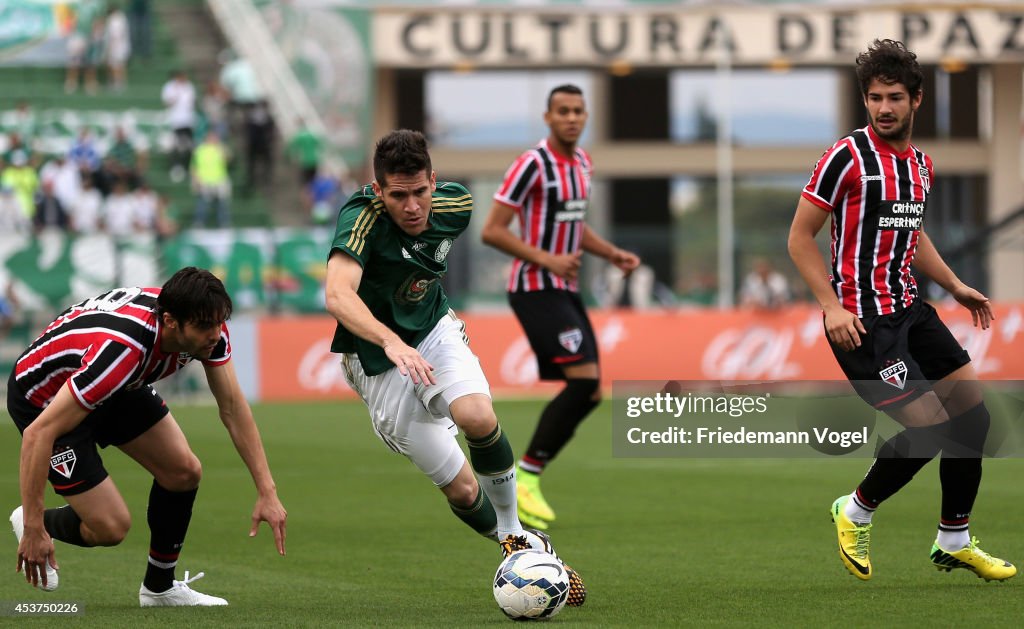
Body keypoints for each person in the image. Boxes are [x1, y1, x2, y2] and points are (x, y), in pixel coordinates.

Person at [324, 129, 585, 607]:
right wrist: (391, 341)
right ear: (378, 192)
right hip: (377, 360)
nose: (411, 206)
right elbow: (338, 293)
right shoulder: (360, 216)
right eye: (398, 196)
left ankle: (517, 541)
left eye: (420, 191)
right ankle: (512, 542)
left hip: (434, 331)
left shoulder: (456, 206)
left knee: (477, 417)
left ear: (433, 182)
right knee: (463, 491)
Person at [787, 39, 1015, 582]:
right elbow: (799, 238)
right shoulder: (846, 156)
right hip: (862, 326)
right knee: (934, 429)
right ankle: (855, 509)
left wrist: (956, 285)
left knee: (974, 418)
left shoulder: (918, 165)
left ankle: (953, 539)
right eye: (873, 98)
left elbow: (910, 235)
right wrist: (831, 307)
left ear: (917, 99)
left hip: (912, 311)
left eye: (893, 97)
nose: (883, 107)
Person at [7, 267, 287, 604]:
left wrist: (266, 490)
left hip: (114, 384)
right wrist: (36, 528)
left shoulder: (206, 327)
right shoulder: (123, 350)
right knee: (110, 528)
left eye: (218, 323)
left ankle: (159, 588)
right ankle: (31, 519)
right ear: (170, 322)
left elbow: (232, 407)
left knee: (184, 472)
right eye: (204, 327)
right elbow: (39, 434)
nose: (215, 334)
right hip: (44, 399)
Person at [481, 84, 640, 530]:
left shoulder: (583, 163)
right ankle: (525, 478)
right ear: (548, 118)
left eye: (578, 111)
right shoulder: (531, 165)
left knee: (590, 392)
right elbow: (492, 231)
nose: (572, 118)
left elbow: (573, 224)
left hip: (564, 288)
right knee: (583, 380)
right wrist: (546, 258)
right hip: (534, 286)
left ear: (586, 117)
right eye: (563, 111)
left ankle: (528, 476)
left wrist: (610, 253)